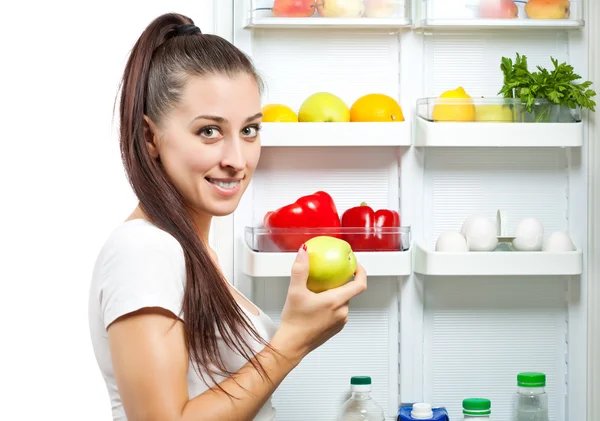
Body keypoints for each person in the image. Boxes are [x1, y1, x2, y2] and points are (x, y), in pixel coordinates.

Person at [88, 12, 368, 421]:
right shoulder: (143, 250)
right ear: (150, 137)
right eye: (209, 131)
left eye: (250, 130)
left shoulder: (191, 250)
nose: (237, 160)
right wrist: (292, 340)